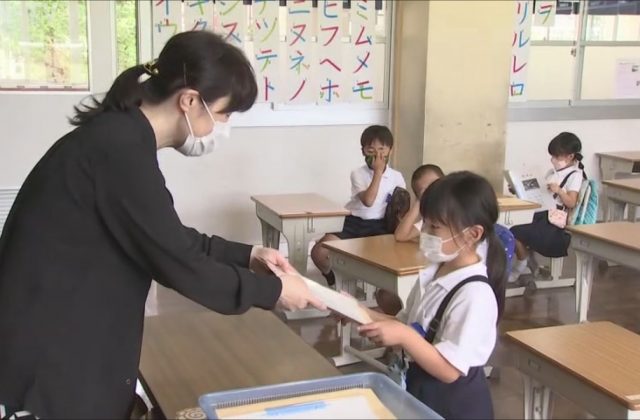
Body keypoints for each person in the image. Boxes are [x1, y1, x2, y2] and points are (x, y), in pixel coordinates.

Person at [0, 31, 324, 419]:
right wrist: (273, 291)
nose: (223, 127)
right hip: (52, 358)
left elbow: (165, 236)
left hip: (69, 338)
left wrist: (249, 255)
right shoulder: (118, 151)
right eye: (224, 114)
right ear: (189, 101)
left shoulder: (120, 137)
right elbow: (181, 265)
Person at [341, 171, 507, 419]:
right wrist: (359, 312)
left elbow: (449, 369)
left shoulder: (475, 296)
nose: (424, 232)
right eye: (425, 223)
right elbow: (408, 324)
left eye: (434, 227)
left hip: (455, 406)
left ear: (472, 234)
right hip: (423, 392)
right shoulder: (434, 272)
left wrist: (405, 337)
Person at [310, 125, 407, 287]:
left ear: (390, 150)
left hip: (380, 226)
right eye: (371, 150)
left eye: (382, 149)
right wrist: (378, 172)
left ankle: (368, 287)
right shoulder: (358, 174)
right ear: (363, 151)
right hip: (354, 222)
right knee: (319, 252)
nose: (377, 155)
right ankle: (333, 280)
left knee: (378, 261)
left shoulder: (397, 177)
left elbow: (401, 207)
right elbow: (368, 201)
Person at [509, 132, 586, 283]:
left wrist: (560, 191)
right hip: (542, 215)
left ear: (570, 156)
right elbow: (540, 194)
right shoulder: (552, 172)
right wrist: (518, 189)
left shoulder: (575, 175)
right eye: (552, 156)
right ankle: (525, 260)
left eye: (557, 156)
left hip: (554, 224)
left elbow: (571, 202)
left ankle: (522, 263)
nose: (553, 160)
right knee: (511, 227)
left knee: (515, 231)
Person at [394, 164, 444, 242]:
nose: (434, 191)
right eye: (426, 191)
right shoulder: (430, 221)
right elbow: (400, 236)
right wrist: (419, 200)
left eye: (435, 184)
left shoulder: (459, 208)